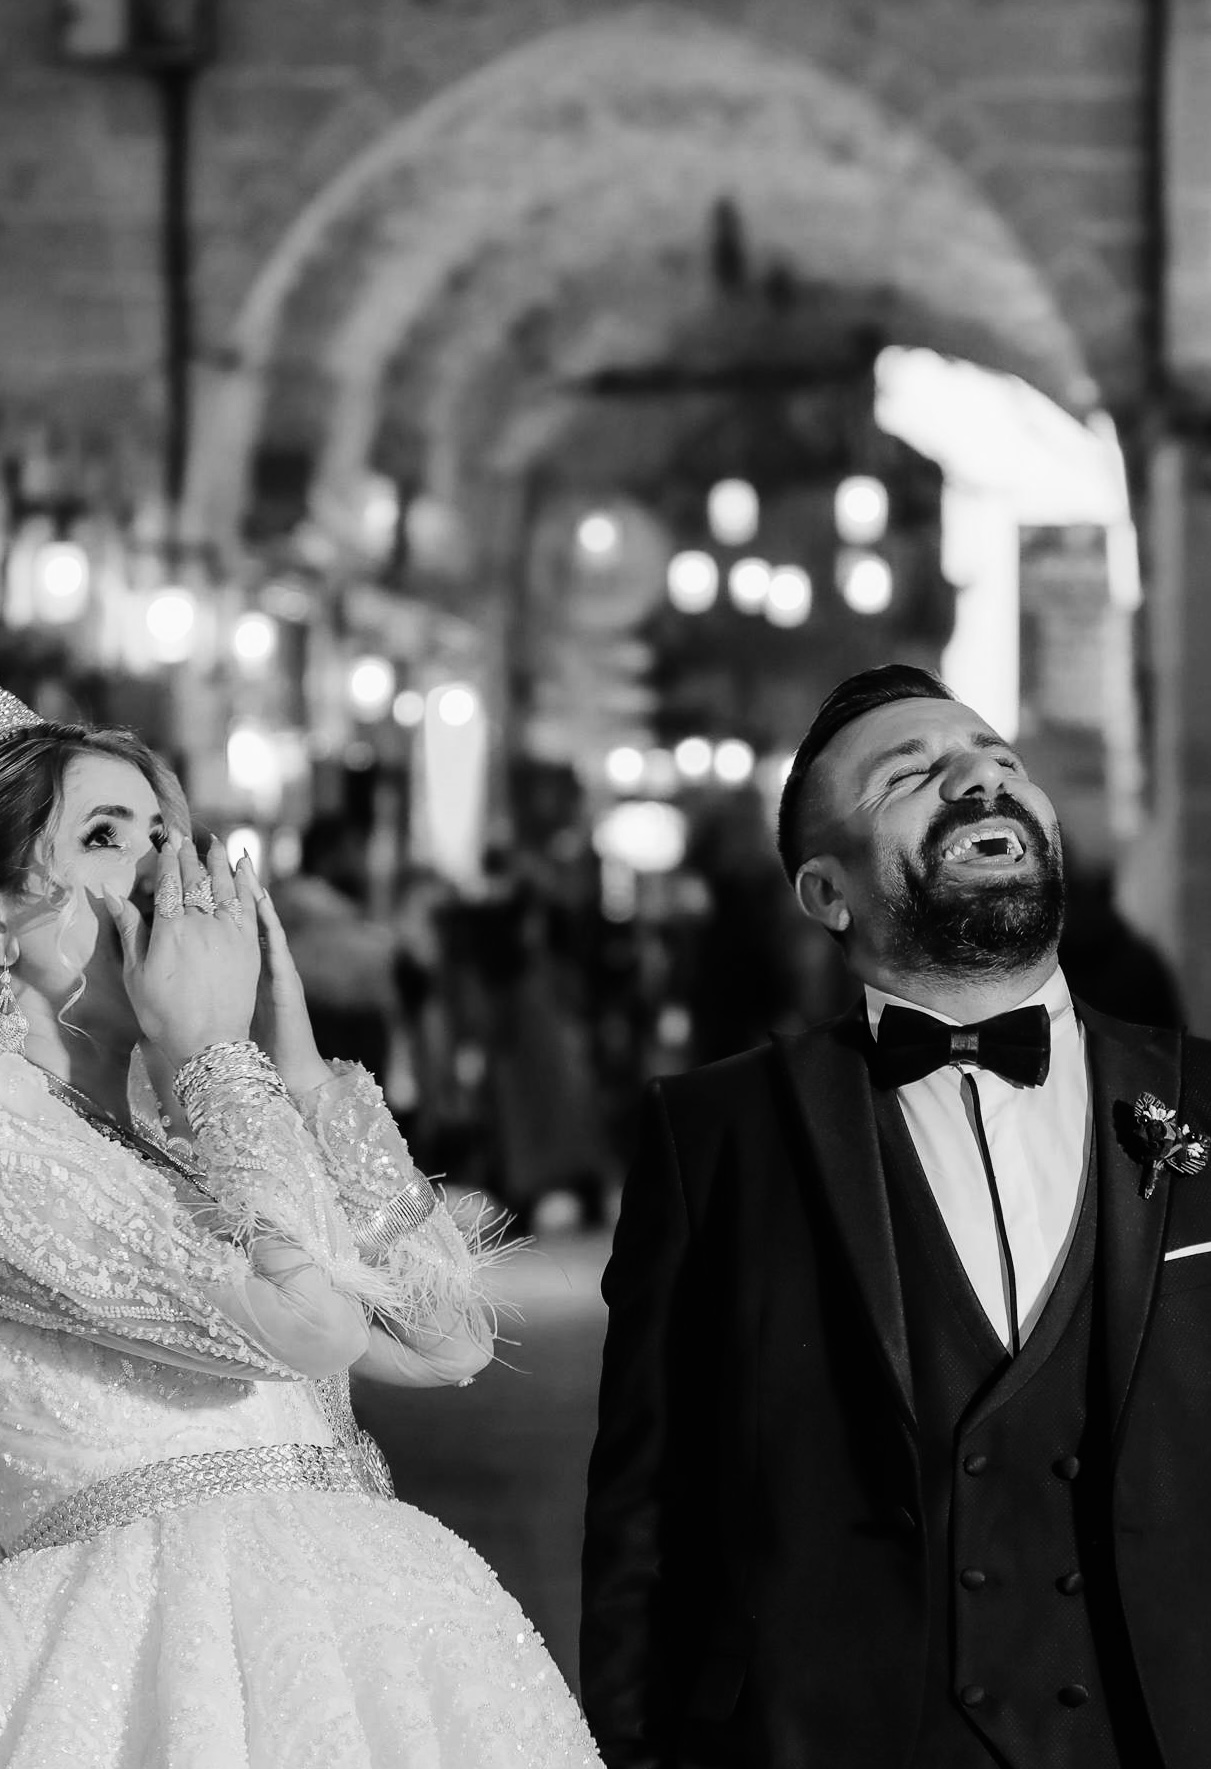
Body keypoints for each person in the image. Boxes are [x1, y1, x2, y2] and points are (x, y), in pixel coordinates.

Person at [581, 662, 1211, 1769]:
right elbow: (645, 1511)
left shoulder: (1200, 1100)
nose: (978, 779)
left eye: (998, 760)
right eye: (911, 774)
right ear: (826, 892)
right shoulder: (713, 1133)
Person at [0, 688, 601, 1769]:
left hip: (363, 1647)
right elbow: (310, 1324)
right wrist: (218, 1061)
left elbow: (444, 1336)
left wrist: (298, 1067)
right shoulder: (12, 1133)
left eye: (165, 835)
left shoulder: (184, 1122)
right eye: (102, 836)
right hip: (140, 1660)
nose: (162, 875)